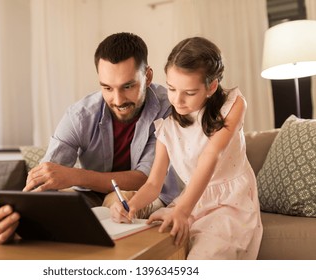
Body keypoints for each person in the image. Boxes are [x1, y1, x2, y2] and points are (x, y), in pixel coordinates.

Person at [0, 32, 180, 244]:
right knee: (54, 208)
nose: (118, 100)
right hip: (90, 196)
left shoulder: (169, 107)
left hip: (147, 194)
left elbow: (144, 178)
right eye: (107, 88)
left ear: (147, 77)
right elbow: (47, 174)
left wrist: (75, 176)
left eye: (128, 86)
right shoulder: (81, 115)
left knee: (123, 199)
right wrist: (12, 213)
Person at [110, 37, 263, 260]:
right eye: (171, 88)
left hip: (231, 202)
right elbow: (153, 183)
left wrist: (182, 210)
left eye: (189, 93)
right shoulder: (167, 128)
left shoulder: (232, 104)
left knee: (205, 257)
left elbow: (211, 155)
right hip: (191, 200)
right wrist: (130, 206)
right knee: (155, 248)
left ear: (211, 86)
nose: (178, 100)